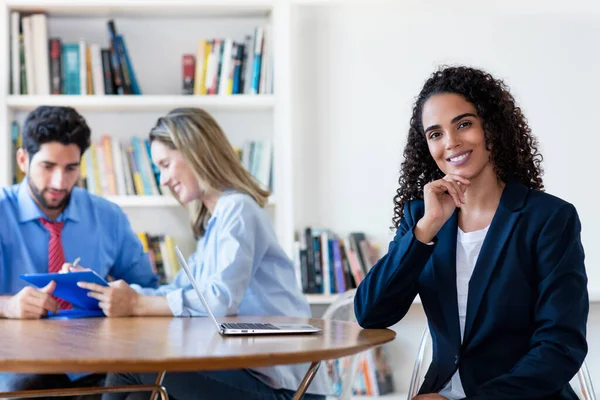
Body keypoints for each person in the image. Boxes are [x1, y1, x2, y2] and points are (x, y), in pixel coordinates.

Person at [354, 66, 588, 400]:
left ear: (492, 127)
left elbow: (559, 347)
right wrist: (425, 230)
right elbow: (371, 313)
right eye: (435, 134)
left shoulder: (549, 218)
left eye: (464, 124)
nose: (451, 143)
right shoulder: (422, 217)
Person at [77, 108, 330, 400]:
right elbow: (179, 292)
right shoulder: (214, 226)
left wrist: (136, 304)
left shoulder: (239, 209)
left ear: (195, 152)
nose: (163, 180)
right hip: (251, 374)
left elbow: (218, 300)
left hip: (287, 387)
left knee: (130, 365)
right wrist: (106, 292)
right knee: (136, 386)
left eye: (166, 164)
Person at [0, 106, 158, 393]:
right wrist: (8, 306)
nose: (60, 183)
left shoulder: (108, 216)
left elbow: (148, 290)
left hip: (98, 364)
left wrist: (120, 297)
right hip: (18, 366)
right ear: (23, 159)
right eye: (48, 167)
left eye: (71, 168)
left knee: (147, 384)